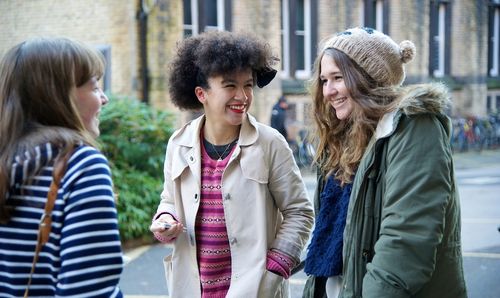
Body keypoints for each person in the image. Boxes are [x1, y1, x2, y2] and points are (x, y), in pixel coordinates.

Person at [149, 30, 314, 298]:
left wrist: (276, 268)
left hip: (255, 289)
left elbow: (299, 212)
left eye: (248, 85)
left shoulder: (270, 143)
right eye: (230, 86)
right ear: (201, 94)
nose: (243, 95)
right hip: (192, 289)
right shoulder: (178, 144)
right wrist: (165, 219)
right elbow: (169, 200)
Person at [306, 27, 467, 298]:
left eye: (337, 78)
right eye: (324, 80)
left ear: (368, 79)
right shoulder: (342, 139)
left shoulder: (415, 127)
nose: (328, 91)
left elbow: (406, 241)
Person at [0, 37, 123, 297]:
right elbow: (88, 292)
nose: (104, 99)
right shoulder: (81, 166)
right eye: (93, 86)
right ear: (59, 96)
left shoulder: (6, 164)